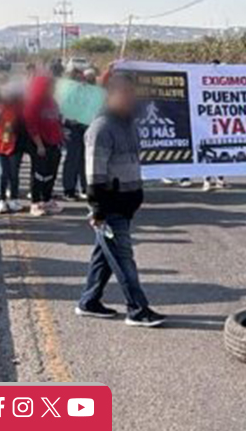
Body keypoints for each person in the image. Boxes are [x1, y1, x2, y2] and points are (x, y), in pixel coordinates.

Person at [77, 73, 165, 327]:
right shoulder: (101, 127)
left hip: (126, 205)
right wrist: (97, 209)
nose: (130, 98)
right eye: (124, 93)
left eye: (132, 92)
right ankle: (137, 310)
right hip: (109, 206)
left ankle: (89, 301)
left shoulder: (127, 124)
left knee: (104, 256)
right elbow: (95, 174)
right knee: (124, 258)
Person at [24, 74, 64, 216]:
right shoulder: (34, 102)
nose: (53, 89)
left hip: (54, 143)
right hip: (40, 144)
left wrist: (61, 137)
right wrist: (39, 144)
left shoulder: (52, 101)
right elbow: (31, 125)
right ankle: (35, 203)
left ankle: (47, 199)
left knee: (50, 173)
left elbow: (56, 121)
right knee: (38, 174)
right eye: (50, 86)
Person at [0, 82, 25, 214]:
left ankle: (14, 199)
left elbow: (21, 127)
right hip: (0, 143)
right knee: (3, 173)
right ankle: (2, 200)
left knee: (14, 173)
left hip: (15, 145)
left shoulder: (20, 108)